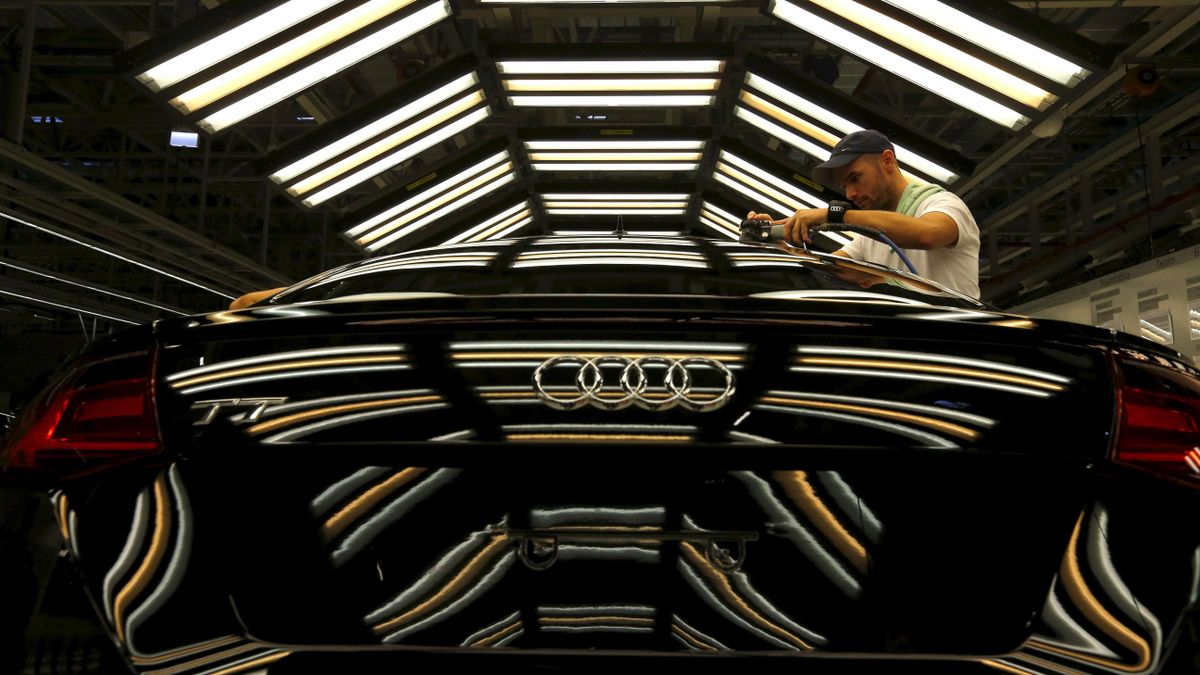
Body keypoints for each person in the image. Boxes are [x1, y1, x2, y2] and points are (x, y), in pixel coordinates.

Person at [747, 129, 980, 298]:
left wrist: (834, 215)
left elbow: (928, 234)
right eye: (844, 186)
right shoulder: (866, 238)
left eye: (855, 178)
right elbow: (826, 269)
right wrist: (779, 246)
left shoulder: (942, 203)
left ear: (887, 161)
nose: (850, 194)